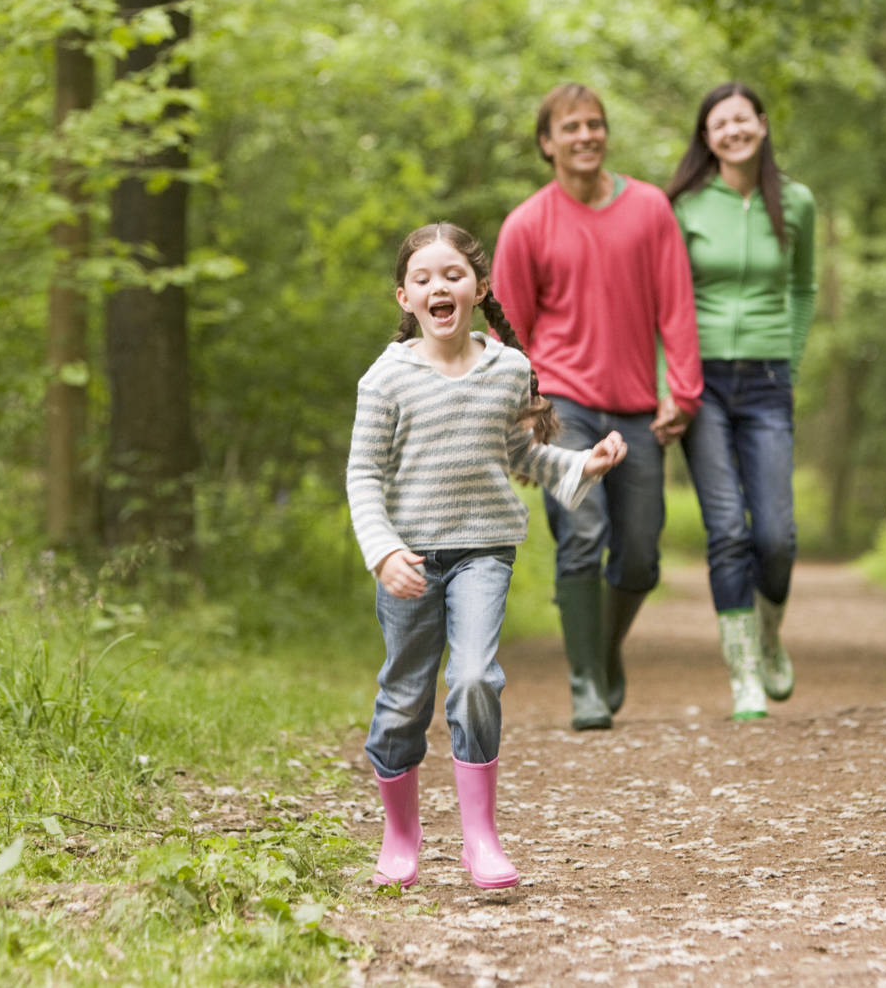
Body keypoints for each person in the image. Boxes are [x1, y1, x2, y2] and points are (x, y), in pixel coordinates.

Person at [348, 222, 629, 890]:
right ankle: (401, 835)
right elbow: (363, 475)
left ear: (476, 287)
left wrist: (581, 464)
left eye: (452, 274)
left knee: (474, 679)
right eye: (423, 279)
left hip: (483, 550)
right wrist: (383, 552)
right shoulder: (385, 379)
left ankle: (480, 838)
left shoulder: (508, 368)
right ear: (404, 298)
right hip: (409, 560)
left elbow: (518, 454)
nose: (438, 286)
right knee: (404, 700)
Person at [493, 82, 704, 731]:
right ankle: (585, 681)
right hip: (563, 407)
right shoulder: (528, 223)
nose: (586, 135)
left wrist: (684, 392)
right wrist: (523, 416)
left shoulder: (648, 208)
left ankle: (602, 651)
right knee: (583, 535)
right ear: (546, 143)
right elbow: (508, 331)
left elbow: (676, 303)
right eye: (571, 127)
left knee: (640, 552)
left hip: (638, 407)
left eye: (595, 124)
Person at [664, 82, 817, 721]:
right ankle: (744, 675)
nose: (732, 130)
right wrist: (668, 382)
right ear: (706, 137)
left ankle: (769, 634)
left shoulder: (798, 202)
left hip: (767, 380)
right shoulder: (686, 206)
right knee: (727, 529)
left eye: (741, 119)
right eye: (718, 123)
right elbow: (665, 299)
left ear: (761, 123)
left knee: (776, 534)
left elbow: (804, 288)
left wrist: (791, 355)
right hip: (701, 383)